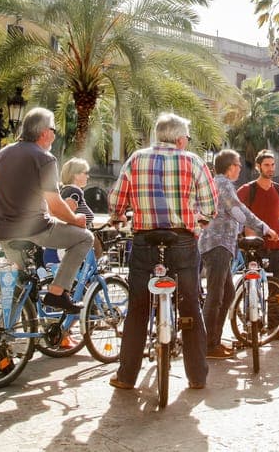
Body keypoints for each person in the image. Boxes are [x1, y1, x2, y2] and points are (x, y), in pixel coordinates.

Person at [106, 112, 217, 390]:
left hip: (144, 240)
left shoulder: (135, 159)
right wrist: (199, 221)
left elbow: (116, 199)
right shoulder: (193, 161)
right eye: (187, 138)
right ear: (180, 139)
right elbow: (210, 206)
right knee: (190, 303)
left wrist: (119, 216)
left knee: (138, 306)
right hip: (182, 241)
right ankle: (197, 376)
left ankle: (127, 376)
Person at [0, 107, 94, 311]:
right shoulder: (44, 158)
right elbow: (55, 206)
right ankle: (57, 293)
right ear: (44, 132)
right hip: (37, 230)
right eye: (54, 130)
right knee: (85, 238)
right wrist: (76, 219)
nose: (55, 136)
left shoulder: (4, 152)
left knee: (25, 284)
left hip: (3, 232)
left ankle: (12, 328)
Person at [199, 149, 277, 359]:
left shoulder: (217, 183)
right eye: (238, 164)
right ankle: (207, 345)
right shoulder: (223, 184)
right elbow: (238, 210)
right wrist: (264, 227)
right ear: (230, 166)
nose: (240, 168)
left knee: (227, 295)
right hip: (218, 244)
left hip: (219, 245)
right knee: (215, 296)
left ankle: (213, 341)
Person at [237, 149, 279, 341]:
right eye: (266, 165)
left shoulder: (277, 189)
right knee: (251, 285)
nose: (271, 168)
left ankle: (275, 328)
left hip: (276, 246)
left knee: (277, 288)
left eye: (273, 164)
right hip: (253, 246)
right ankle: (250, 325)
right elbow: (235, 213)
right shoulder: (247, 189)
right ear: (258, 166)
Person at [42, 158, 92, 266]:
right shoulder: (75, 191)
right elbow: (64, 217)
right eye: (86, 173)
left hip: (56, 247)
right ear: (76, 174)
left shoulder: (64, 190)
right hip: (64, 251)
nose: (88, 176)